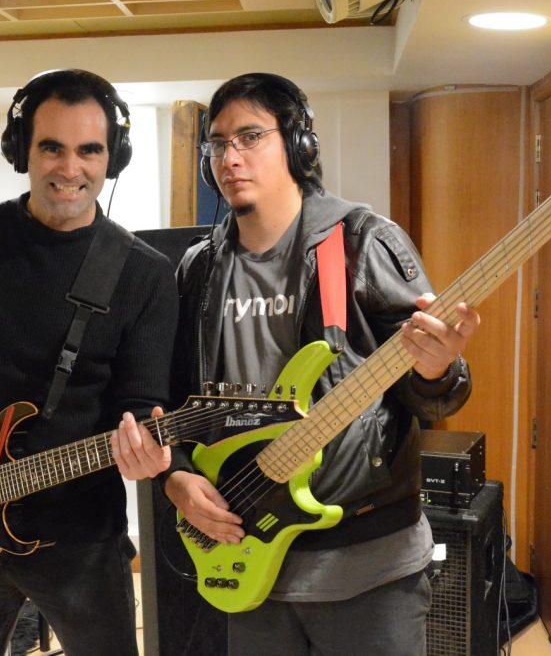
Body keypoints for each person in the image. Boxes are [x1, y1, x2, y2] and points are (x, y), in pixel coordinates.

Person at [159, 73, 481, 656]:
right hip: (246, 558)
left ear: (298, 144)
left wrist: (437, 369)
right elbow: (179, 399)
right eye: (218, 143)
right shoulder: (200, 268)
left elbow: (431, 392)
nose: (229, 157)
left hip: (370, 567)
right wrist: (176, 475)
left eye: (250, 136)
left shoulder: (362, 243)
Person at [0, 68, 177, 656]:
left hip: (83, 540)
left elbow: (139, 405)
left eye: (89, 150)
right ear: (21, 149)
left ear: (113, 157)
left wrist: (146, 455)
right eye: (52, 148)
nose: (71, 169)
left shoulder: (143, 273)